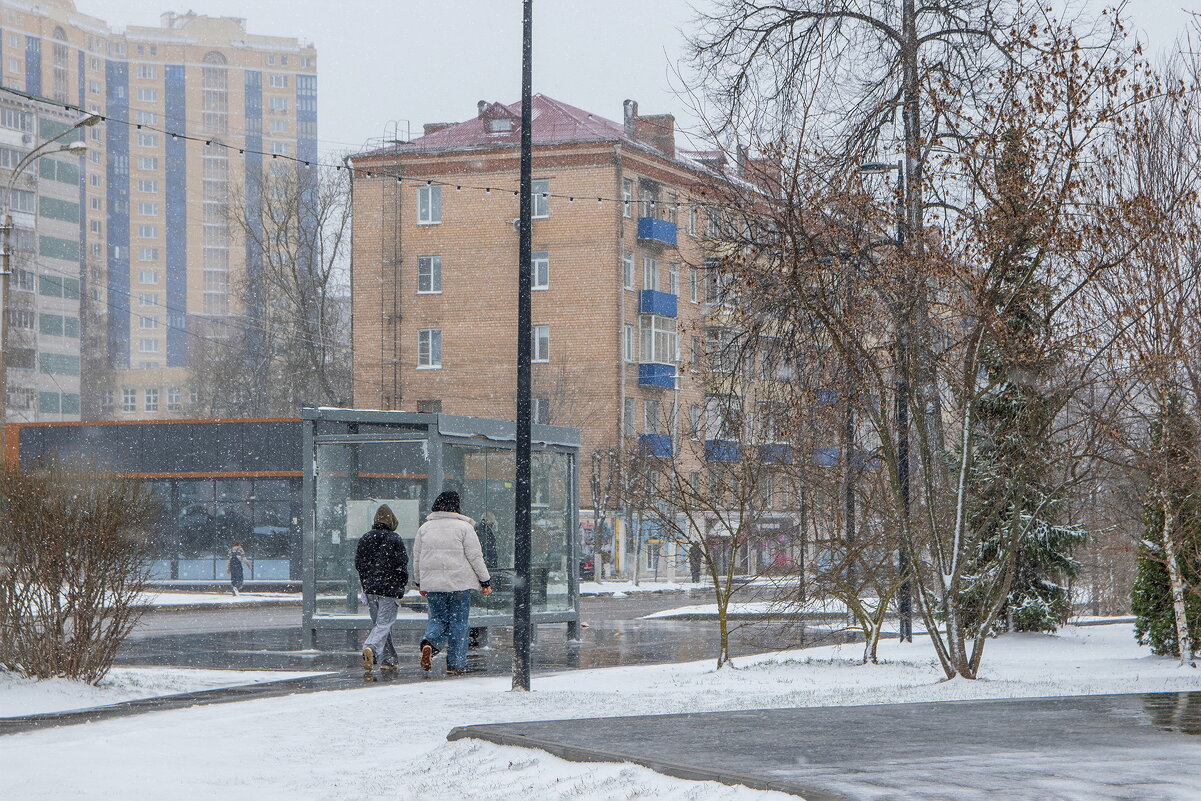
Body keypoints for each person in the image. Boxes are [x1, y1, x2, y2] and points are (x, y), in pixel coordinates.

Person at [412, 490, 492, 676]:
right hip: (459, 584)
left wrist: (419, 582)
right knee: (459, 622)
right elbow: (475, 557)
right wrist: (485, 580)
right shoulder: (464, 528)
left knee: (437, 618)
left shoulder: (424, 528)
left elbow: (417, 558)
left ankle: (430, 642)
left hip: (433, 585)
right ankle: (455, 664)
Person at [354, 504, 408, 677]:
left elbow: (359, 564)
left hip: (370, 589)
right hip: (389, 589)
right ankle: (370, 647)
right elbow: (401, 564)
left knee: (381, 626)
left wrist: (367, 583)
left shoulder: (366, 537)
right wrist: (401, 584)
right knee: (384, 624)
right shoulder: (394, 539)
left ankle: (388, 660)